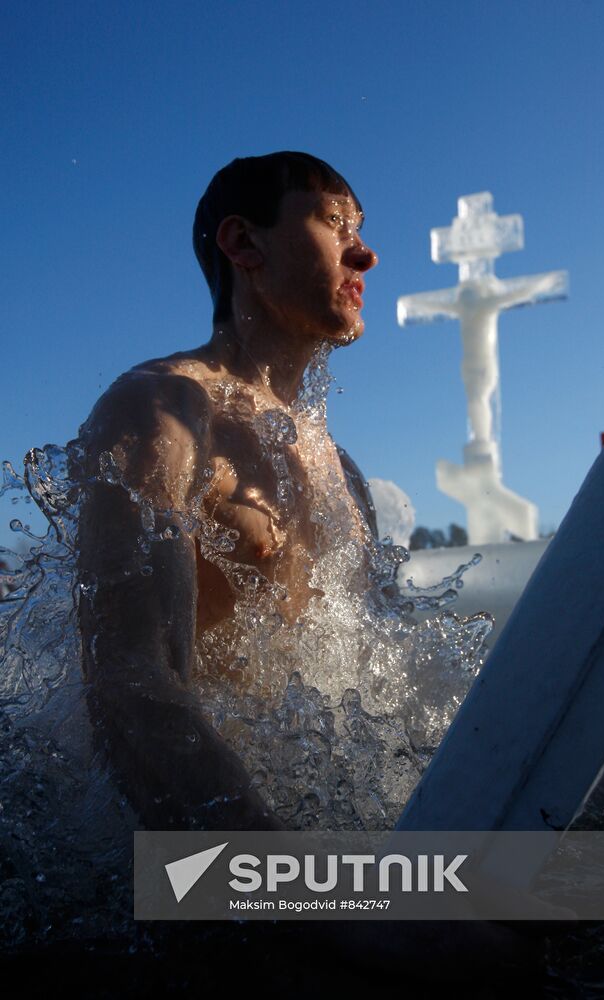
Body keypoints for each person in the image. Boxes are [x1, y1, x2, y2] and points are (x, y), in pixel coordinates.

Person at [77, 151, 379, 832]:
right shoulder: (163, 410)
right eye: (335, 223)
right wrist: (303, 899)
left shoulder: (344, 473)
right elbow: (128, 684)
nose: (364, 256)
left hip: (317, 820)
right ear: (243, 243)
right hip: (188, 860)